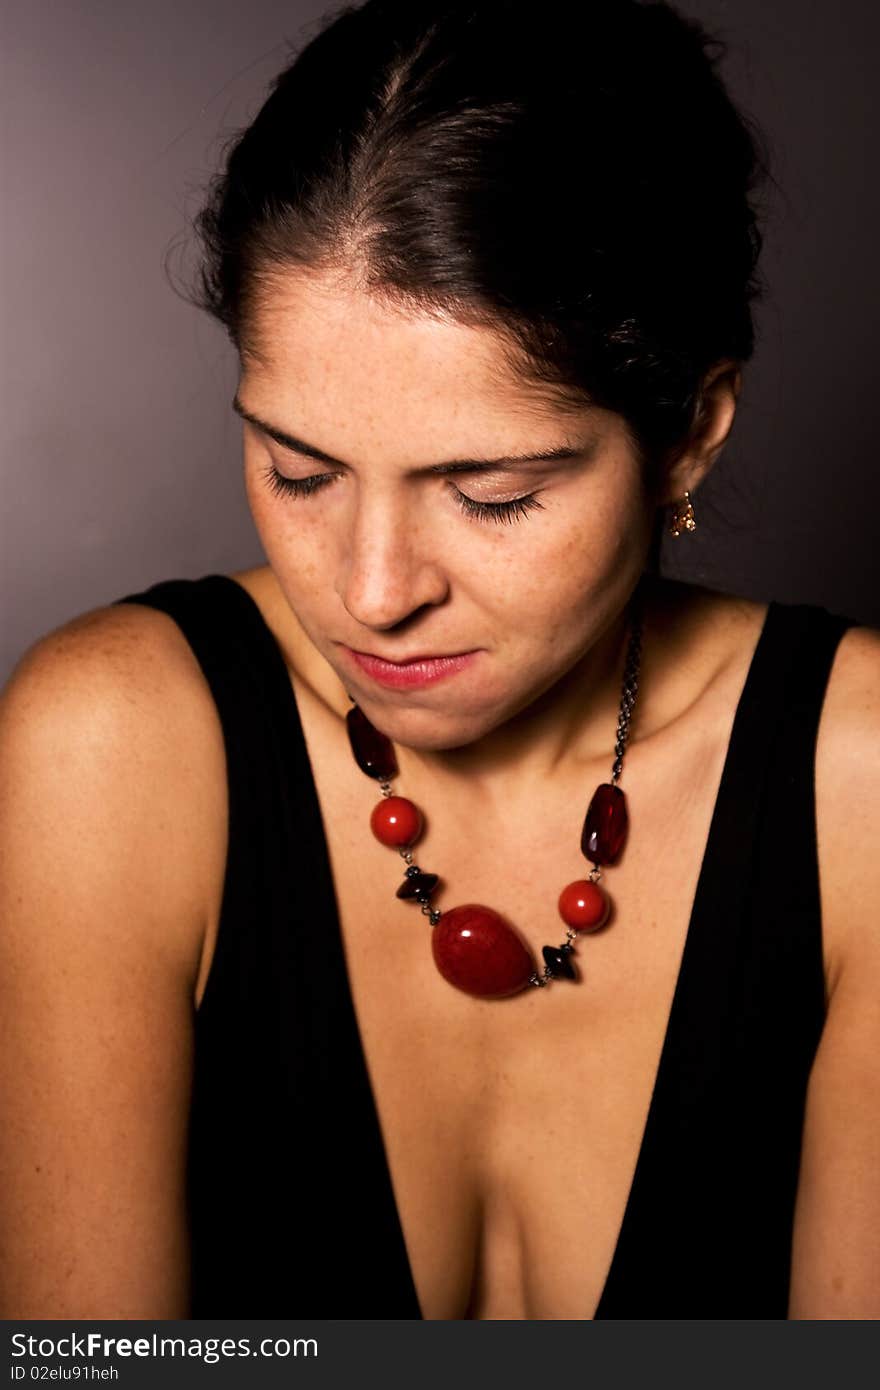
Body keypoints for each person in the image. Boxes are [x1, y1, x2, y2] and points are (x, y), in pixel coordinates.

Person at [1, 0, 878, 1322]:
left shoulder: (861, 783)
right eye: (299, 470)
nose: (368, 592)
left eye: (495, 493)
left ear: (689, 432)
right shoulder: (114, 749)